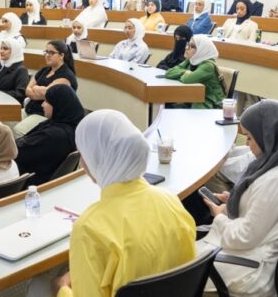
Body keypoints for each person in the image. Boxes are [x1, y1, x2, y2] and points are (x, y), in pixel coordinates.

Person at [53, 110, 196, 297]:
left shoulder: (88, 228)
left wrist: (62, 289)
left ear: (97, 158)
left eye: (84, 154)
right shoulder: (171, 201)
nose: (81, 163)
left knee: (40, 285)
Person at [196, 100, 278, 297]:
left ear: (267, 137)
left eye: (250, 138)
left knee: (173, 268)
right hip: (259, 252)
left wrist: (220, 217)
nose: (247, 144)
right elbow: (266, 210)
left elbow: (243, 237)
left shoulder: (277, 181)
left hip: (252, 269)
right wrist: (235, 201)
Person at [15, 85, 84, 186]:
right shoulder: (73, 126)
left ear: (58, 105)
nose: (42, 105)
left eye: (47, 101)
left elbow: (16, 153)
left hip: (28, 182)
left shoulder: (53, 136)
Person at [15, 40, 77, 137]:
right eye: (46, 52)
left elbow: (48, 94)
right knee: (5, 121)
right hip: (30, 109)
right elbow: (27, 90)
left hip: (46, 115)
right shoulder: (44, 70)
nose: (47, 55)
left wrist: (35, 88)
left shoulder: (66, 76)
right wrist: (39, 90)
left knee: (18, 130)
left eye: (51, 53)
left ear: (61, 55)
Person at [165, 35, 224, 109]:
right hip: (194, 99)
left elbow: (187, 80)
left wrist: (181, 75)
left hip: (210, 103)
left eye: (192, 46)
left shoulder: (208, 65)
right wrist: (186, 72)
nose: (187, 48)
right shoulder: (192, 60)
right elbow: (169, 73)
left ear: (202, 50)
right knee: (167, 106)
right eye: (188, 44)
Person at [0, 38, 29, 104]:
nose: (1, 51)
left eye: (5, 49)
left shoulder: (21, 70)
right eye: (1, 48)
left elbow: (20, 94)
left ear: (14, 51)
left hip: (7, 105)